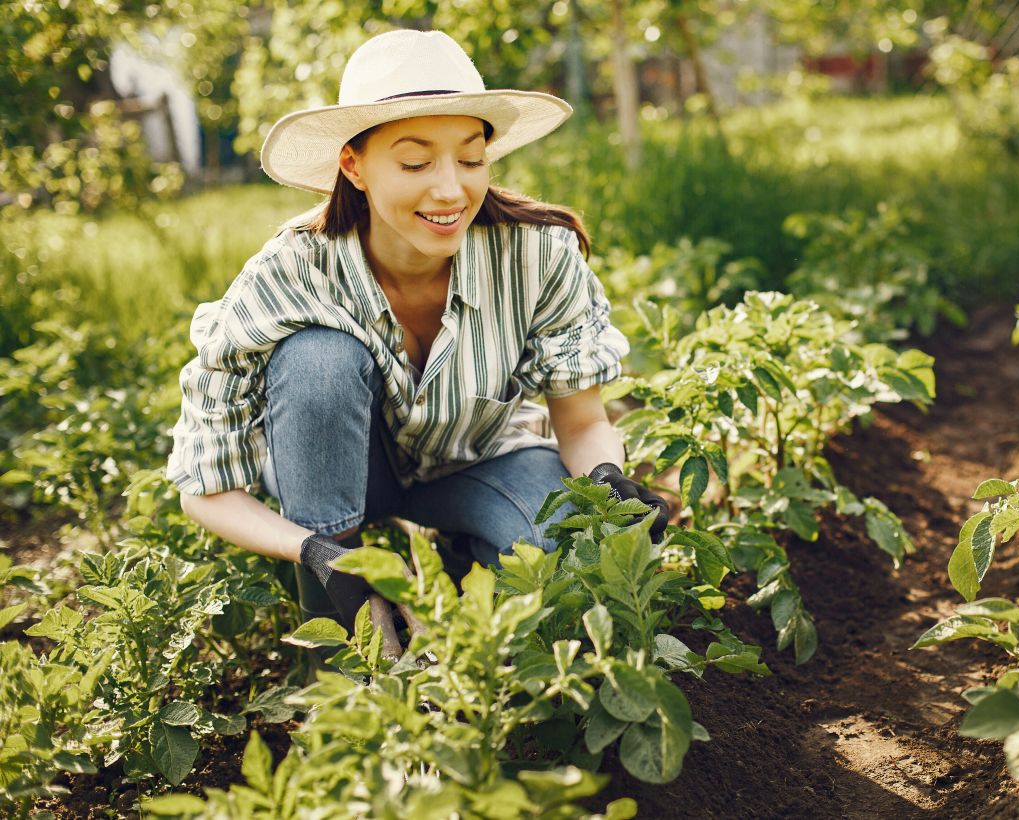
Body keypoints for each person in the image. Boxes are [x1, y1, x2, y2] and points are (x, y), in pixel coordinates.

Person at [165, 29, 669, 632]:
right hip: (331, 474)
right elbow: (205, 488)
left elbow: (583, 423)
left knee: (563, 563)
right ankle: (340, 629)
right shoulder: (292, 273)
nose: (451, 189)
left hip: (474, 461)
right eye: (415, 161)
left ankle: (462, 568)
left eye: (471, 158)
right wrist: (320, 553)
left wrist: (606, 480)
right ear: (353, 166)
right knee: (316, 359)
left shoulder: (537, 256)